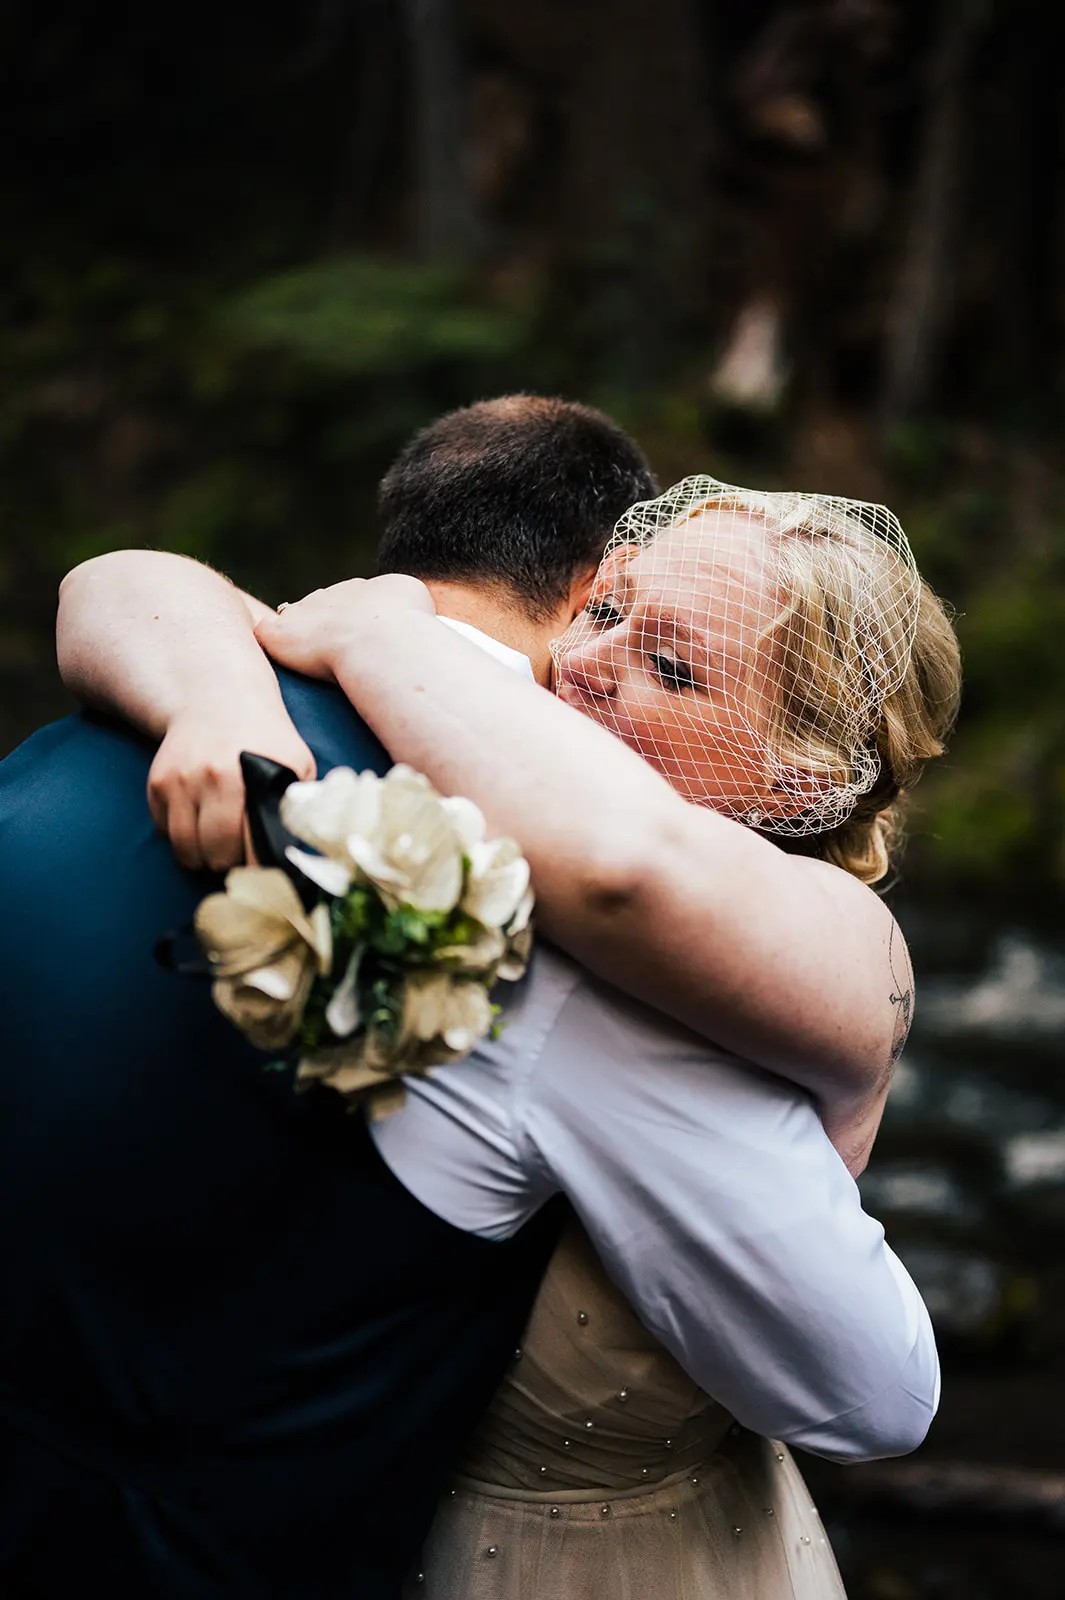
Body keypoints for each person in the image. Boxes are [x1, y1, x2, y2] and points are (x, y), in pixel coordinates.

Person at [53, 409, 959, 1598]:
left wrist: (386, 637)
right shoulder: (467, 767)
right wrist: (232, 692)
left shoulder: (647, 977)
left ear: (799, 777)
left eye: (672, 665)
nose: (586, 664)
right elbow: (123, 582)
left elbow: (881, 1392)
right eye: (605, 610)